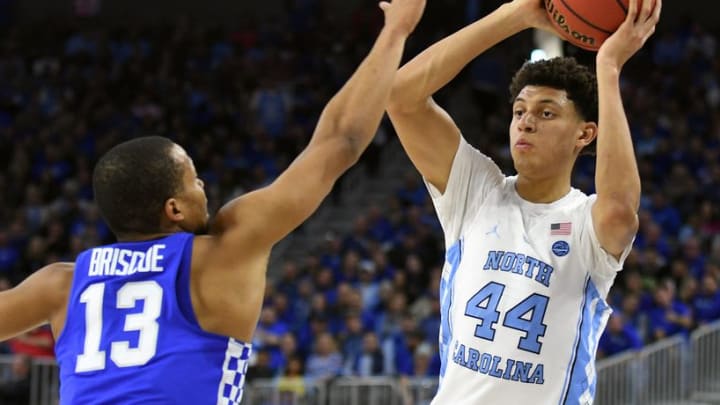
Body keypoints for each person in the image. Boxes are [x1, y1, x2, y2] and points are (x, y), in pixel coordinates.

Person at [0, 0, 426, 403]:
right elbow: (340, 141)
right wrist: (395, 31)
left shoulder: (59, 284)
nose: (203, 184)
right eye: (193, 180)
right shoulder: (223, 251)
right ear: (174, 209)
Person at [386, 0, 661, 403]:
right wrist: (515, 14)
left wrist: (609, 68)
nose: (526, 121)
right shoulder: (476, 190)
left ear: (584, 135)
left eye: (547, 113)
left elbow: (621, 209)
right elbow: (401, 98)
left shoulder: (586, 221)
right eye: (519, 111)